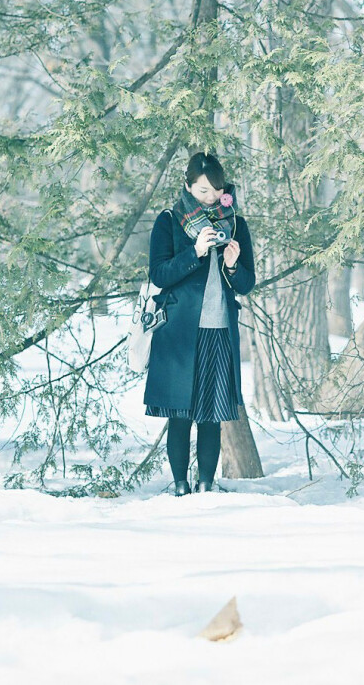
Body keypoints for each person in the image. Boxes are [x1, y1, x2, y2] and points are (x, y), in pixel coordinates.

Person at [144, 152, 256, 495]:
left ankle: (206, 485)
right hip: (178, 333)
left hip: (220, 330)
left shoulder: (235, 223)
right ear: (188, 186)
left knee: (212, 414)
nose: (210, 197)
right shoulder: (169, 220)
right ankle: (180, 485)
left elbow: (247, 283)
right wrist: (195, 252)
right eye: (203, 190)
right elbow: (159, 274)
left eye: (215, 190)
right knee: (180, 413)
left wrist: (234, 267)